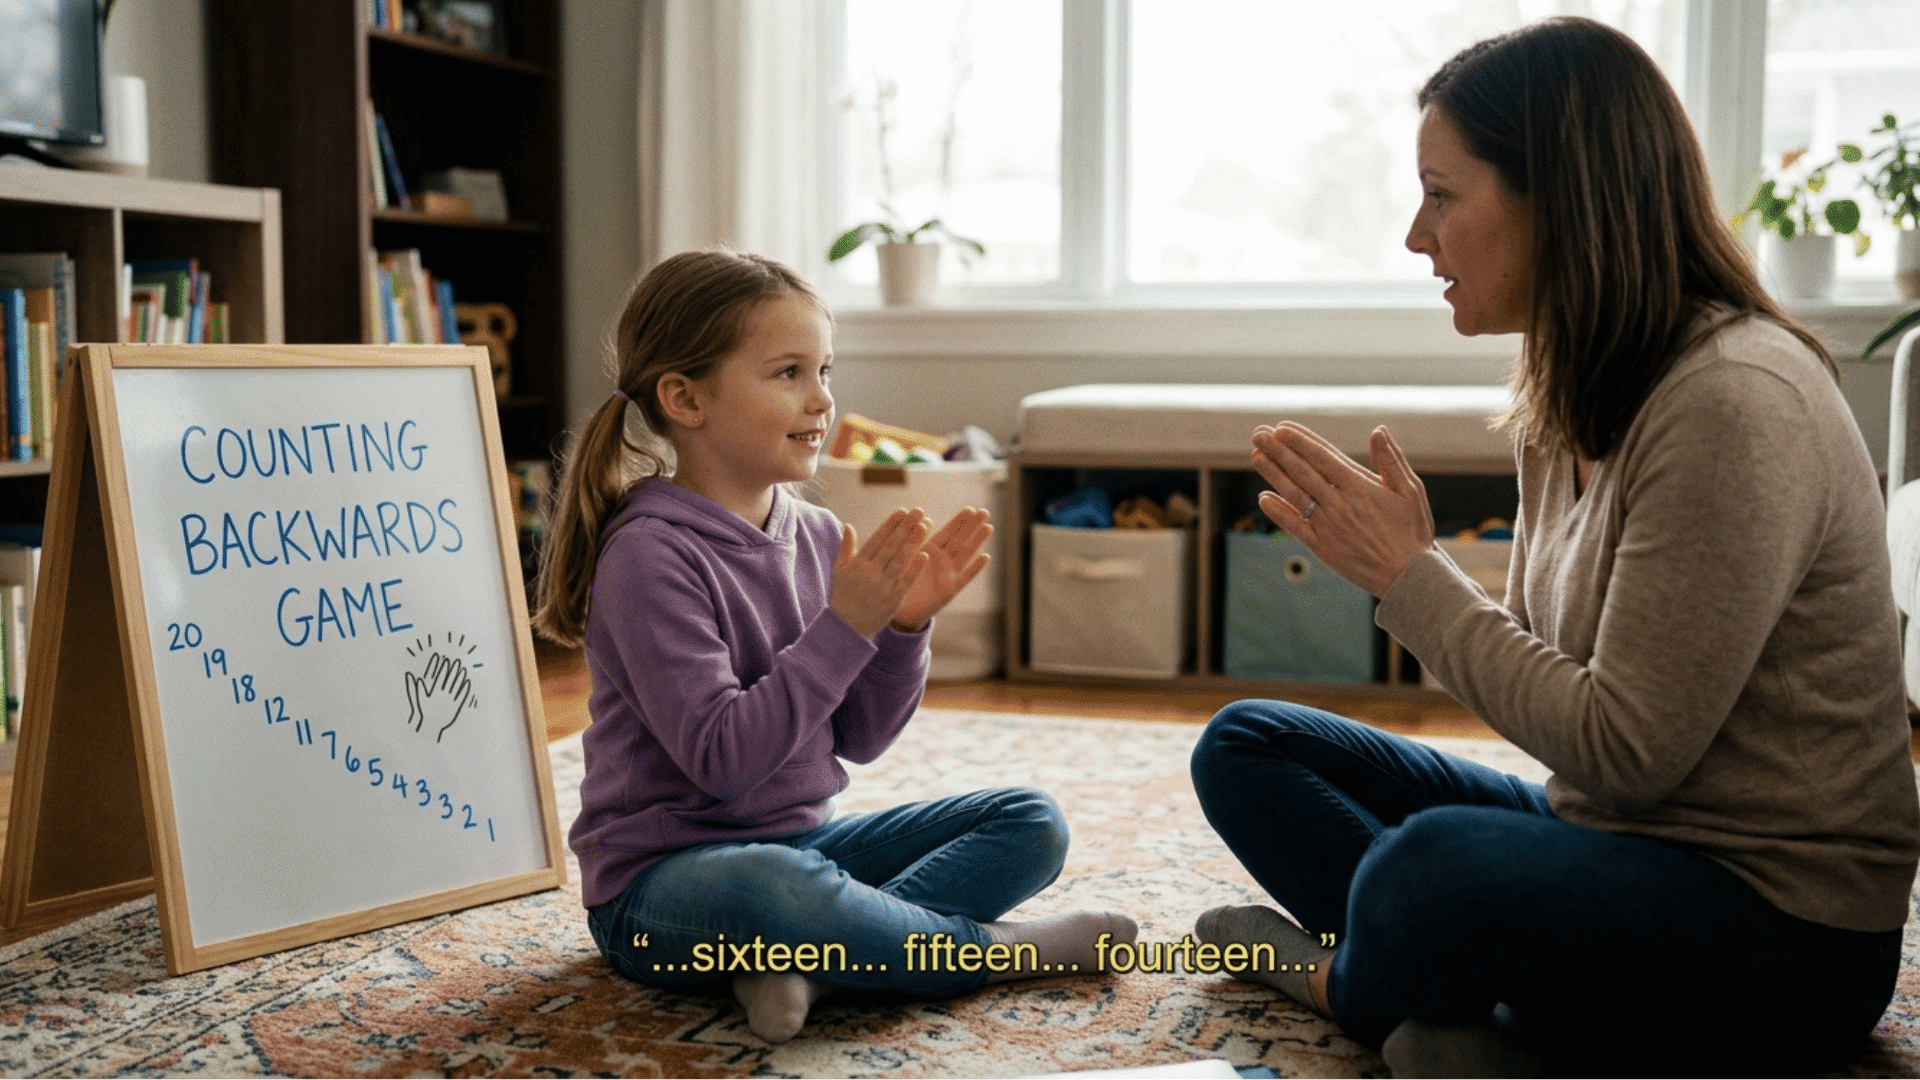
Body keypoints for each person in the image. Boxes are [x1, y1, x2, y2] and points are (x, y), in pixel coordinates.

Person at [1187, 17, 1919, 1077]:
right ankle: (1468, 1002)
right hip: (1616, 843)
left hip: (1785, 930)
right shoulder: (1563, 393)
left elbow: (1626, 754)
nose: (1413, 234)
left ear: (1560, 199)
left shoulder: (1732, 399)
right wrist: (1420, 569)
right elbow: (1565, 698)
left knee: (1435, 868)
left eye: (1443, 194)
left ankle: (1347, 984)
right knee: (1248, 746)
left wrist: (1413, 580)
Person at [533, 249, 1136, 1045]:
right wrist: (845, 626)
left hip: (805, 846)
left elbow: (860, 740)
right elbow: (723, 761)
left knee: (1031, 821)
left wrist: (902, 630)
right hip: (659, 892)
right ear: (685, 399)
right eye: (787, 372)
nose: (822, 399)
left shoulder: (816, 534)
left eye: (824, 369)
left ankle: (809, 961)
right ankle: (987, 953)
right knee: (776, 888)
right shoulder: (647, 556)